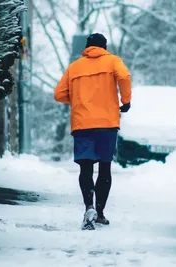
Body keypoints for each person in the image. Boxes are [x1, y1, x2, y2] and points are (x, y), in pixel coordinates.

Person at [54, 33, 132, 230]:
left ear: (87, 47)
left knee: (86, 168)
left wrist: (79, 101)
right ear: (104, 47)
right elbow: (124, 76)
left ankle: (89, 206)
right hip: (107, 123)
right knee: (104, 168)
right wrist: (126, 100)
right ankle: (100, 213)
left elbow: (59, 94)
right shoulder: (113, 61)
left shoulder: (75, 66)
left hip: (83, 123)